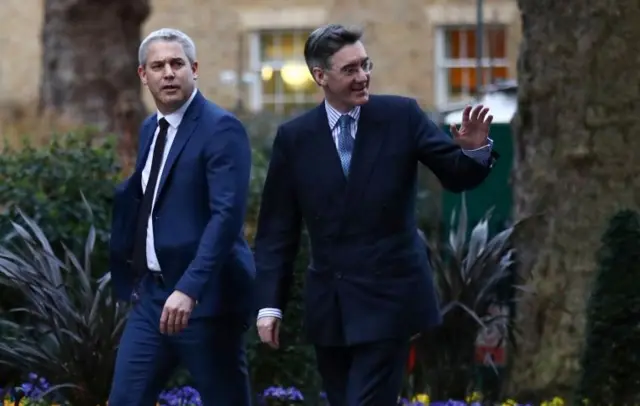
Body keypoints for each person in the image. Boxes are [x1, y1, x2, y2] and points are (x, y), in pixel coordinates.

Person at [253, 24, 498, 406]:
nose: (363, 76)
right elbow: (276, 231)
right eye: (350, 70)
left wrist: (474, 150)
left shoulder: (401, 116)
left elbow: (456, 175)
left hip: (390, 301)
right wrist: (269, 304)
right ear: (321, 76)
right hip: (331, 309)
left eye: (365, 65)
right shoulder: (295, 138)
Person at [108, 28, 254, 405]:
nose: (168, 73)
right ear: (143, 75)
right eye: (158, 66)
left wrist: (189, 288)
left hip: (206, 300)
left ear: (195, 69)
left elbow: (226, 219)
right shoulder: (149, 129)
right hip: (153, 297)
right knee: (125, 398)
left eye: (177, 64)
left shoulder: (221, 128)